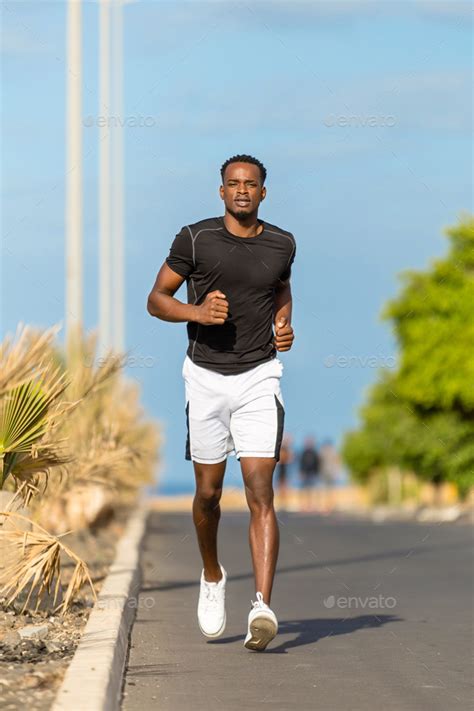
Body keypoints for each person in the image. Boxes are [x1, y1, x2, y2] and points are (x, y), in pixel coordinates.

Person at [147, 154, 296, 651]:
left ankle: (262, 605)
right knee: (208, 493)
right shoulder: (195, 238)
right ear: (221, 191)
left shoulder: (282, 243)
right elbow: (156, 299)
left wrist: (283, 324)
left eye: (250, 184)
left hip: (259, 375)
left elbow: (280, 287)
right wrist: (197, 312)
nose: (242, 191)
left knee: (260, 489)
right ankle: (212, 575)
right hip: (206, 377)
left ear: (263, 193)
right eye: (233, 184)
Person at [319, 438, 341, 514]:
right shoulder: (324, 451)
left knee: (329, 490)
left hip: (330, 473)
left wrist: (336, 472)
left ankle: (330, 506)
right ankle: (327, 506)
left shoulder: (331, 451)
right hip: (326, 473)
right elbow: (320, 463)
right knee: (327, 490)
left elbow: (337, 462)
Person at [298, 436, 320, 512]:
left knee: (313, 490)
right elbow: (301, 463)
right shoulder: (304, 452)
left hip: (313, 474)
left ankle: (313, 505)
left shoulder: (315, 452)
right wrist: (301, 473)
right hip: (305, 474)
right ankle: (304, 506)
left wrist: (317, 473)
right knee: (304, 491)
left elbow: (317, 463)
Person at [275, 433, 294, 511]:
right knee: (280, 487)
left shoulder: (287, 450)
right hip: (280, 469)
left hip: (285, 470)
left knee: (284, 487)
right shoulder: (280, 449)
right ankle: (280, 503)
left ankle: (284, 503)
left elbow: (290, 458)